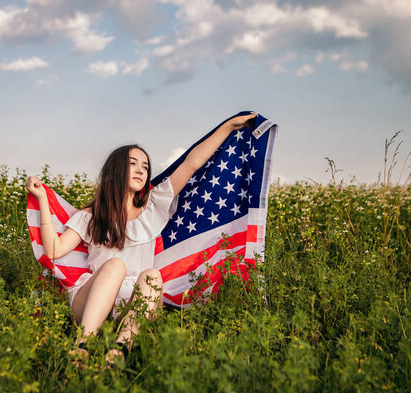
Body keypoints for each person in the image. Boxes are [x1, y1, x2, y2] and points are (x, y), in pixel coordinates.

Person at [26, 112, 257, 364]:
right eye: (133, 164)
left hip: (135, 301)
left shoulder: (154, 206)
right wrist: (42, 200)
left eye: (145, 167)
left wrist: (226, 128)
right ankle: (83, 345)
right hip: (91, 302)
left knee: (153, 276)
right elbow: (54, 250)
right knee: (115, 265)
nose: (141, 170)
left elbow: (191, 164)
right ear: (116, 169)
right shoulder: (91, 217)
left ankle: (120, 349)